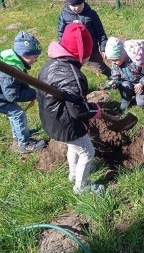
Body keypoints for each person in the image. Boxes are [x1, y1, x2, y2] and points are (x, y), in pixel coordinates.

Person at [38, 22, 105, 195]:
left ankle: (73, 173)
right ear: (81, 54)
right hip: (67, 124)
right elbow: (79, 111)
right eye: (87, 56)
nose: (88, 60)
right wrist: (94, 110)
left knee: (73, 147)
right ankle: (81, 187)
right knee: (88, 152)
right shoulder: (72, 77)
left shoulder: (49, 65)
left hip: (51, 120)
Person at [0, 31, 45, 153]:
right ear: (24, 54)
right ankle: (24, 144)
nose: (36, 60)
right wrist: (33, 94)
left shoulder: (14, 63)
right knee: (17, 113)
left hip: (2, 95)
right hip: (2, 98)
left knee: (14, 113)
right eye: (34, 57)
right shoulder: (10, 71)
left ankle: (19, 134)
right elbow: (12, 95)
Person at [57, 0, 111, 78]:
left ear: (84, 1)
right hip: (72, 51)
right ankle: (75, 82)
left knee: (100, 66)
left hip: (91, 49)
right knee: (72, 69)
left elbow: (100, 32)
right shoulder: (64, 16)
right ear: (68, 3)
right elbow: (61, 33)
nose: (77, 8)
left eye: (80, 4)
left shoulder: (91, 14)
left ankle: (112, 76)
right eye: (73, 5)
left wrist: (103, 47)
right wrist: (62, 47)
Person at [104, 36, 144, 110]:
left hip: (142, 84)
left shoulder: (136, 58)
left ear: (122, 54)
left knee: (141, 103)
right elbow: (116, 75)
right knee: (124, 85)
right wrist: (114, 82)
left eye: (115, 60)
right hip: (129, 83)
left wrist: (141, 83)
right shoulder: (116, 64)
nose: (113, 62)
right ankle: (127, 98)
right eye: (112, 60)